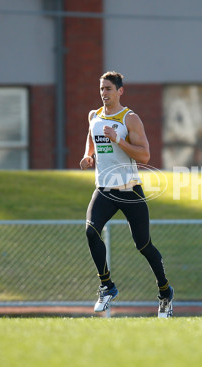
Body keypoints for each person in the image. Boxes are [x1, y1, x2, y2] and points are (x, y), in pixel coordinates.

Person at [79, 71, 174, 318]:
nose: (104, 93)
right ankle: (106, 286)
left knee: (143, 245)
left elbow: (145, 156)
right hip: (104, 190)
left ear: (120, 91)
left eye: (108, 88)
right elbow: (91, 139)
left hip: (130, 190)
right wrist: (88, 156)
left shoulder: (129, 118)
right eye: (101, 88)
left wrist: (118, 140)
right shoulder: (94, 116)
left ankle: (165, 292)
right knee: (91, 231)